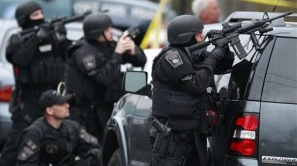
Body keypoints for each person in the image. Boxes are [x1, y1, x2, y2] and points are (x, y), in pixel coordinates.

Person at [150, 15, 234, 166]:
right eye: (198, 34)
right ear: (186, 37)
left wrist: (223, 46)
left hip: (191, 131)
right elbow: (195, 84)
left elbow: (223, 67)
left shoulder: (191, 54)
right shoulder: (172, 57)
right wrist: (213, 56)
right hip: (173, 134)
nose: (202, 36)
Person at [0, 1, 71, 166]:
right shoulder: (17, 39)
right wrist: (36, 39)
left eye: (41, 13)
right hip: (29, 101)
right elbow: (19, 59)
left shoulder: (51, 36)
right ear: (25, 20)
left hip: (53, 97)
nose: (41, 17)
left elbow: (69, 56)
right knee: (16, 145)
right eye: (35, 15)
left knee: (56, 144)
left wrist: (62, 37)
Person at [65, 13, 147, 142]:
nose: (111, 32)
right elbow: (104, 78)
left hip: (106, 108)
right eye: (107, 30)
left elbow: (141, 61)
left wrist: (134, 51)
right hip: (86, 113)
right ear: (96, 33)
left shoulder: (109, 46)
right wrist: (118, 53)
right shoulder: (83, 52)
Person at [17, 90, 101, 166]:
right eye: (61, 104)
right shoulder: (35, 133)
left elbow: (95, 148)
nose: (67, 105)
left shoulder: (73, 128)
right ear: (50, 111)